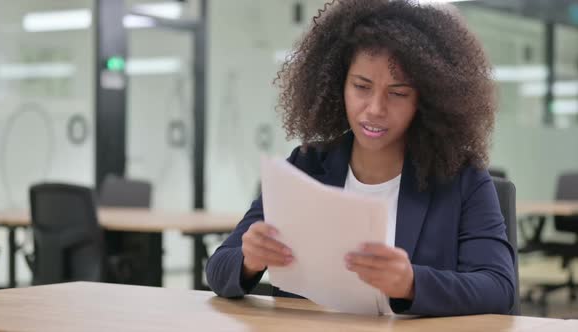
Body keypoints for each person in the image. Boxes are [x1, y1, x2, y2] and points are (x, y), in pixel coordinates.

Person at [206, 0, 515, 316]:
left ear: (426, 100)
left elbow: (499, 287)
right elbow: (218, 269)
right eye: (361, 86)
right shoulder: (306, 167)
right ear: (338, 86)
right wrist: (249, 261)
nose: (375, 108)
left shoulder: (462, 179)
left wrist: (411, 283)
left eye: (398, 93)